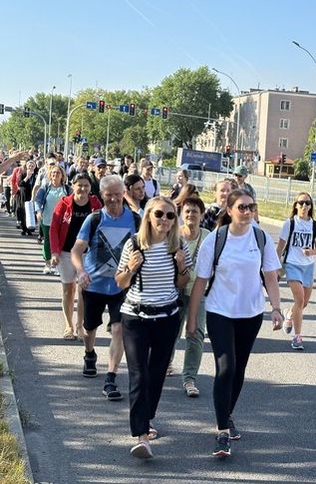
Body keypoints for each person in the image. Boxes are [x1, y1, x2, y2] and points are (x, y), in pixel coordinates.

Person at [187, 188, 283, 458]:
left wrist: (276, 308)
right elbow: (201, 283)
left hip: (250, 313)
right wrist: (192, 319)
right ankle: (221, 432)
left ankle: (226, 413)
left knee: (239, 368)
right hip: (220, 311)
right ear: (229, 210)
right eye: (242, 207)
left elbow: (271, 277)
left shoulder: (261, 237)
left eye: (251, 207)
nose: (248, 212)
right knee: (226, 367)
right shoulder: (216, 240)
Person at [115, 196, 191, 459]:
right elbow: (120, 282)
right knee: (139, 374)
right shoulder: (134, 244)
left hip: (167, 316)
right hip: (135, 316)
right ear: (148, 215)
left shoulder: (178, 245)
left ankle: (147, 418)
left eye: (171, 216)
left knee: (157, 373)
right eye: (160, 214)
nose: (165, 220)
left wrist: (182, 267)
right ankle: (142, 435)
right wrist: (131, 268)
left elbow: (182, 283)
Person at [71, 175, 140, 402]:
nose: (113, 199)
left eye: (117, 194)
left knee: (119, 329)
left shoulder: (135, 220)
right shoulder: (93, 219)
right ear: (101, 196)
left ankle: (110, 378)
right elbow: (76, 250)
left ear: (124, 194)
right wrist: (81, 272)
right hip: (94, 285)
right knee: (90, 328)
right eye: (108, 195)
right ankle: (89, 354)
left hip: (123, 286)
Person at [50, 172, 102, 340]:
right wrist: (55, 251)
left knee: (83, 290)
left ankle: (80, 326)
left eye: (86, 185)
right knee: (68, 290)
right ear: (73, 185)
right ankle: (68, 326)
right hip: (65, 252)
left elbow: (102, 226)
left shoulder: (95, 204)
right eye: (79, 184)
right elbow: (54, 228)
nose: (83, 188)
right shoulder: (64, 203)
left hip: (87, 254)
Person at [173, 196, 210, 395]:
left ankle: (189, 379)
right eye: (187, 211)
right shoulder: (174, 236)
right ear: (181, 215)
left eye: (195, 211)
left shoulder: (209, 237)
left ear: (202, 215)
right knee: (171, 332)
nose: (191, 215)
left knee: (195, 335)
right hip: (175, 292)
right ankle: (164, 366)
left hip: (199, 293)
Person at [275, 192, 316, 350]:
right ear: (295, 205)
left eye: (307, 203)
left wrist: (312, 252)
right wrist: (274, 267)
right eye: (301, 203)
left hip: (308, 266)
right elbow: (280, 246)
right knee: (300, 300)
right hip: (292, 264)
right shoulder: (289, 223)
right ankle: (297, 337)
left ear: (311, 206)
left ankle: (289, 314)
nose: (304, 206)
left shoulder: (314, 225)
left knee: (303, 303)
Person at [34, 165, 72, 274]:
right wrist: (38, 211)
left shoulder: (67, 189)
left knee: (61, 242)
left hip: (63, 221)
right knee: (48, 242)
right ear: (50, 175)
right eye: (53, 173)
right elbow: (38, 201)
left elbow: (72, 202)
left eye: (58, 173)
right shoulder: (45, 187)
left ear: (62, 175)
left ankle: (57, 265)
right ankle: (47, 263)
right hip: (47, 218)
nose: (55, 175)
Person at [16, 160, 38, 236]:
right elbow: (20, 183)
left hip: (32, 195)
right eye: (29, 165)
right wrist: (27, 177)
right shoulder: (23, 173)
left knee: (31, 212)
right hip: (23, 195)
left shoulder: (36, 175)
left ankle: (29, 229)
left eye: (32, 166)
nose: (31, 167)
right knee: (23, 211)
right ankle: (23, 229)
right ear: (27, 166)